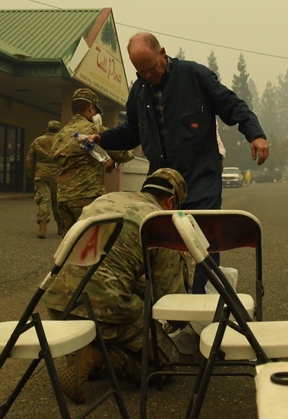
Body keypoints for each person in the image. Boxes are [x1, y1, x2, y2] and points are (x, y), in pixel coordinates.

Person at [95, 32, 269, 293]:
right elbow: (132, 132)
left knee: (204, 245)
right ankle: (168, 306)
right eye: (140, 72)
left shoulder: (195, 76)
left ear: (162, 53)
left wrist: (255, 134)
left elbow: (233, 106)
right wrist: (100, 138)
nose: (147, 76)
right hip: (162, 184)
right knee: (159, 244)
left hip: (201, 176)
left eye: (151, 68)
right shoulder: (139, 91)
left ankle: (199, 308)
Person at [42, 168, 189, 401]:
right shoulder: (161, 222)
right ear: (171, 201)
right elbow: (171, 303)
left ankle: (85, 345)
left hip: (60, 303)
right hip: (106, 310)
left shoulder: (106, 199)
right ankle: (98, 357)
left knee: (122, 297)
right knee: (167, 364)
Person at [51, 88, 134, 236]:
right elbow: (125, 153)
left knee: (70, 247)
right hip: (87, 198)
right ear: (90, 108)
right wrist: (112, 158)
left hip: (63, 199)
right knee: (91, 246)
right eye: (95, 110)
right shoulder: (94, 130)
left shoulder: (59, 135)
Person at [24, 120, 62, 239]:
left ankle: (43, 227)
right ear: (58, 129)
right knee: (57, 201)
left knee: (44, 200)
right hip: (57, 175)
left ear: (48, 128)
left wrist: (31, 174)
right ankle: (61, 227)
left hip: (41, 174)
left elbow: (30, 160)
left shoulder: (38, 141)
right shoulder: (61, 141)